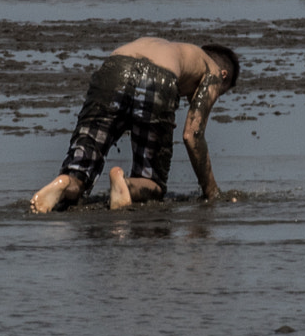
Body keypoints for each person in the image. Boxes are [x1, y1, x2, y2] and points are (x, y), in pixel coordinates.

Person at [29, 38, 241, 213]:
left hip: (114, 69)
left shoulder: (171, 47)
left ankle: (65, 182)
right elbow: (192, 135)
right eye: (221, 93)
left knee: (80, 170)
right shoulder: (212, 70)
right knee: (154, 184)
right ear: (224, 76)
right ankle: (125, 184)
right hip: (159, 77)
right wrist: (212, 193)